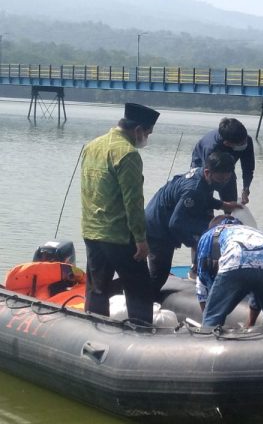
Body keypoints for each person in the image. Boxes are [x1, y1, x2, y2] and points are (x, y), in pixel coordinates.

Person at [80, 102, 159, 324]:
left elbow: (88, 190)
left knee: (97, 290)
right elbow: (133, 201)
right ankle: (141, 335)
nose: (147, 138)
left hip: (92, 231)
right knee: (139, 290)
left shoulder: (92, 146)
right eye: (148, 133)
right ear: (138, 130)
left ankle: (94, 330)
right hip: (120, 235)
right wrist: (141, 239)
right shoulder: (128, 154)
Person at [145, 149, 240, 297]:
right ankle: (141, 303)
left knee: (208, 227)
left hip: (168, 215)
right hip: (158, 226)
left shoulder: (202, 175)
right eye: (220, 180)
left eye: (227, 179)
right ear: (208, 172)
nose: (223, 184)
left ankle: (200, 269)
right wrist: (193, 242)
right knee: (159, 274)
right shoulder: (194, 189)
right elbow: (175, 224)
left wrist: (222, 205)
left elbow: (203, 198)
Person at [196, 216, 263, 327]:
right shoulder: (254, 232)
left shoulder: (210, 234)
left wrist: (207, 316)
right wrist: (250, 324)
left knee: (212, 319)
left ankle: (208, 335)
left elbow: (202, 279)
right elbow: (259, 278)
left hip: (236, 260)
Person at [190, 117, 255, 204]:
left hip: (227, 165)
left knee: (231, 201)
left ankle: (228, 214)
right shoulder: (211, 148)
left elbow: (248, 168)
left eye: (245, 140)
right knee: (203, 197)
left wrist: (246, 188)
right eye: (241, 143)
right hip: (202, 164)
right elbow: (208, 176)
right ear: (227, 143)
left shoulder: (246, 140)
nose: (244, 144)